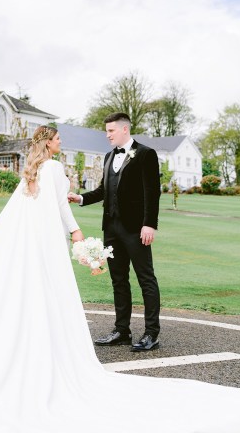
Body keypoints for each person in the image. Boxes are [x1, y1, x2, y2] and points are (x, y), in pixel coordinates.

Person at [0, 125, 240, 433]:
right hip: (54, 239)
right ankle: (113, 330)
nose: (63, 141)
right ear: (48, 143)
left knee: (63, 287)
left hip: (71, 236)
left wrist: (91, 210)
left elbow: (51, 203)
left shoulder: (33, 170)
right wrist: (77, 234)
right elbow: (60, 210)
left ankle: (141, 330)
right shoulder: (55, 168)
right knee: (59, 289)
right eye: (58, 138)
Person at [69, 112, 161, 352]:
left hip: (136, 229)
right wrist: (80, 198)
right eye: (107, 131)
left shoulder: (145, 154)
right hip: (111, 229)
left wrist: (149, 224)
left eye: (111, 131)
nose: (107, 135)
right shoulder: (109, 156)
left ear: (124, 130)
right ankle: (122, 330)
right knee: (118, 280)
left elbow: (152, 192)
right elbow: (103, 190)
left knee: (146, 279)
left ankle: (152, 333)